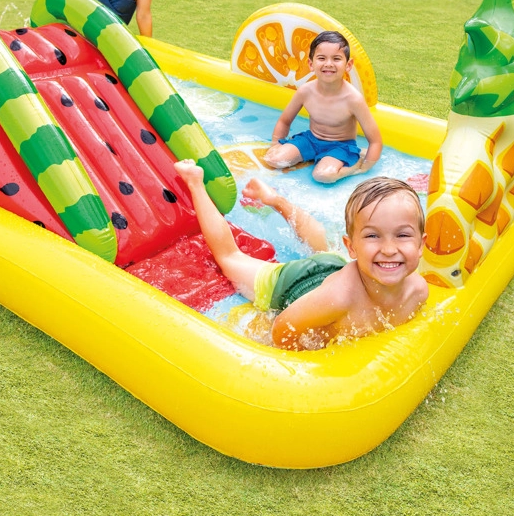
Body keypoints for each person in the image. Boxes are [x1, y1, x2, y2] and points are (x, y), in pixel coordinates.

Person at [175, 160, 429, 350]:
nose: (389, 249)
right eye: (373, 236)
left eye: (402, 235)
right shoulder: (336, 299)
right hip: (296, 282)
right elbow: (281, 330)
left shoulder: (417, 291)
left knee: (326, 248)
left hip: (340, 265)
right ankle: (195, 182)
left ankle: (275, 199)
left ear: (421, 245)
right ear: (352, 247)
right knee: (230, 259)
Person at [264, 31, 382, 184]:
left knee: (323, 175)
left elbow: (375, 140)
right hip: (310, 140)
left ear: (348, 65)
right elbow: (284, 121)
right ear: (311, 64)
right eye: (321, 58)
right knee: (273, 160)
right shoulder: (305, 91)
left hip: (340, 147)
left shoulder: (353, 99)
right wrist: (275, 144)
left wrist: (365, 166)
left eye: (336, 58)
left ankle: (353, 164)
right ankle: (311, 156)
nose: (328, 64)